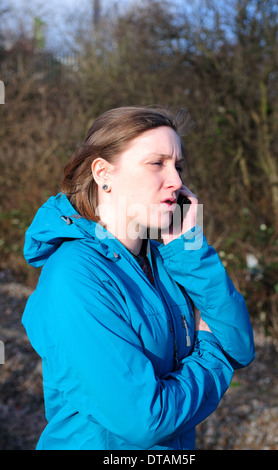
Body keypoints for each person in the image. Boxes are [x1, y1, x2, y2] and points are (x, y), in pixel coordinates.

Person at [22, 106, 255, 450]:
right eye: (156, 163)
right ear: (103, 173)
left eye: (177, 165)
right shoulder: (74, 276)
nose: (176, 180)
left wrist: (190, 250)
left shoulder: (164, 261)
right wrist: (211, 355)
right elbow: (147, 420)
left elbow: (240, 345)